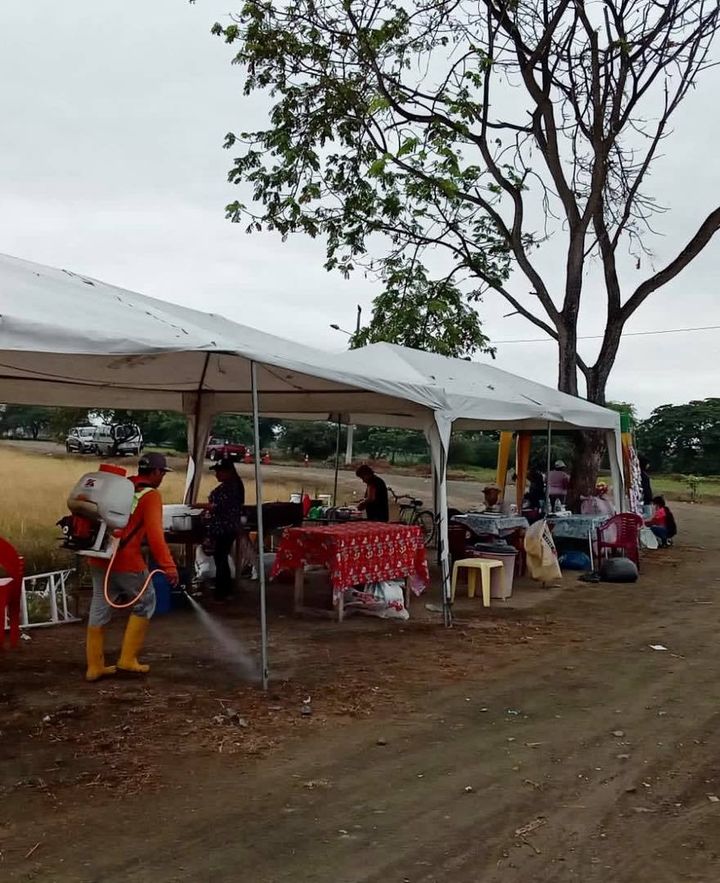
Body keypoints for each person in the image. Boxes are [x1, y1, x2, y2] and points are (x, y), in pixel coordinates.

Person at [85, 452, 178, 682]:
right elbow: (156, 536)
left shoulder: (122, 487)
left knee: (99, 607)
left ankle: (95, 666)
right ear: (155, 472)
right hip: (126, 562)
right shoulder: (150, 495)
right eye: (162, 473)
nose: (162, 478)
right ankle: (127, 660)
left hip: (99, 557)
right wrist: (169, 567)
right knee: (146, 601)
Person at [202, 458, 246, 601]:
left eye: (219, 472)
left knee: (221, 558)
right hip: (224, 526)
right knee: (220, 558)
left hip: (225, 527)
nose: (216, 475)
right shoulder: (231, 485)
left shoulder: (232, 487)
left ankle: (222, 592)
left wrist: (199, 506)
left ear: (228, 472)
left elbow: (218, 506)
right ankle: (224, 589)